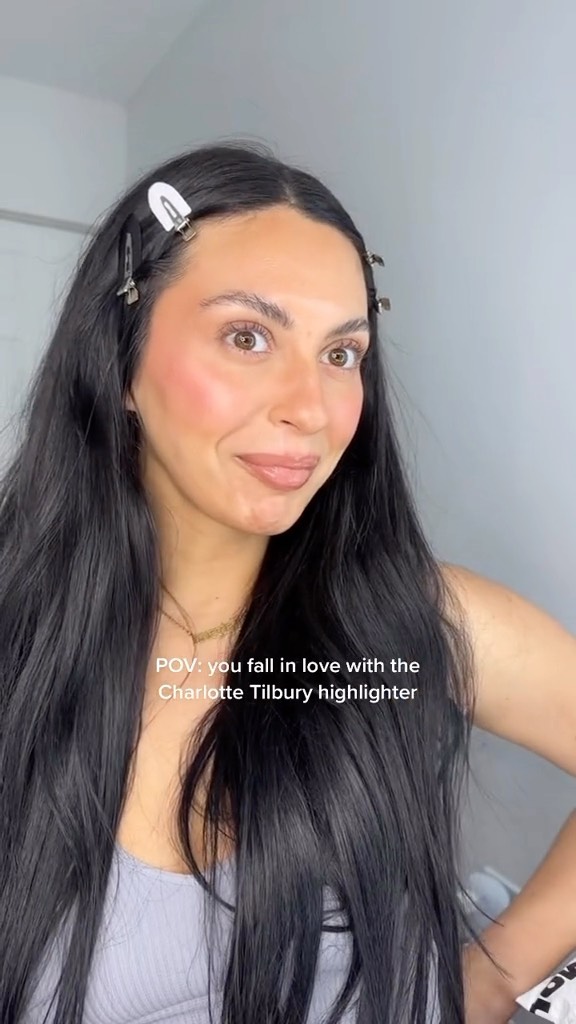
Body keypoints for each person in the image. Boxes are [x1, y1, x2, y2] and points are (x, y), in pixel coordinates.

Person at [0, 141, 575, 1024]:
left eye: (342, 354)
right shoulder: (19, 641)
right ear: (119, 360)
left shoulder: (414, 619)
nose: (311, 407)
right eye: (248, 337)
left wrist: (495, 976)